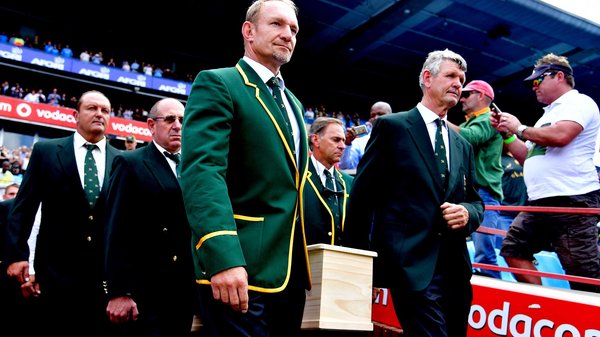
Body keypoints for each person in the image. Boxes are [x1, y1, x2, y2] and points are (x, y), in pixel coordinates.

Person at [179, 1, 310, 336]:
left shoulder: (293, 103)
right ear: (248, 31)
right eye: (277, 24)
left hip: (288, 275)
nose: (287, 35)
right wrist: (222, 256)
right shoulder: (219, 83)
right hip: (238, 267)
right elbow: (203, 172)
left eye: (293, 29)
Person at [343, 49, 484, 337]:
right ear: (427, 78)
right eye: (451, 76)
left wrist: (467, 212)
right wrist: (356, 268)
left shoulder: (462, 145)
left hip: (455, 270)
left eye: (462, 78)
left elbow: (476, 200)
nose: (459, 83)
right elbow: (361, 199)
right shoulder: (392, 127)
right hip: (409, 268)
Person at [4, 90, 120, 337]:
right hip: (55, 274)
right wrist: (16, 255)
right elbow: (24, 207)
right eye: (92, 108)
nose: (99, 114)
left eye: (105, 110)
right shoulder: (46, 151)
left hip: (103, 278)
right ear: (75, 115)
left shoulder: (122, 160)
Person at [491, 53, 600, 292]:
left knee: (584, 276)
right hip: (541, 201)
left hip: (572, 199)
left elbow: (562, 136)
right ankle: (539, 305)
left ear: (559, 76)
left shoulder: (579, 103)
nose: (533, 86)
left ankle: (589, 325)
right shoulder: (546, 116)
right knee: (513, 250)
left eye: (538, 80)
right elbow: (526, 157)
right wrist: (507, 133)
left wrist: (519, 127)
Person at [104, 98, 196, 336]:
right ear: (150, 125)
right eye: (169, 119)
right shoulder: (130, 163)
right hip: (147, 290)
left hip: (186, 288)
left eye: (182, 120)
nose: (177, 125)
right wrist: (119, 291)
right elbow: (116, 230)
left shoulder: (196, 166)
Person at [446, 80, 504, 278]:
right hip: (470, 193)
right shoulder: (467, 122)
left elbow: (471, 138)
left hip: (484, 193)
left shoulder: (489, 118)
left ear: (481, 96)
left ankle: (496, 299)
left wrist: (438, 120)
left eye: (467, 94)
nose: (461, 98)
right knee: (469, 251)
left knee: (485, 256)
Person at [303, 117, 353, 246]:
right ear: (315, 140)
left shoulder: (350, 182)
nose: (342, 146)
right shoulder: (297, 175)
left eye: (343, 140)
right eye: (336, 140)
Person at [338, 101, 392, 170]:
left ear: (391, 116)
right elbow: (344, 167)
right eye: (372, 115)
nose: (376, 118)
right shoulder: (359, 142)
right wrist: (347, 144)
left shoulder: (401, 138)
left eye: (380, 114)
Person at [496, 147, 528, 248]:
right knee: (506, 247)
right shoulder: (497, 159)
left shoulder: (524, 155)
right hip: (504, 212)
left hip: (525, 212)